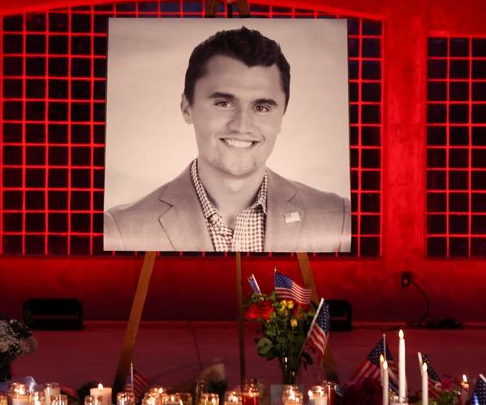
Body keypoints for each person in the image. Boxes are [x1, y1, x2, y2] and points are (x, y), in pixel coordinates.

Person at [104, 26, 350, 252]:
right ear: (187, 106)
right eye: (223, 103)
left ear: (282, 116)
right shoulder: (121, 230)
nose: (242, 125)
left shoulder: (339, 219)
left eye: (262, 107)